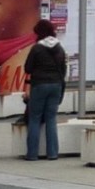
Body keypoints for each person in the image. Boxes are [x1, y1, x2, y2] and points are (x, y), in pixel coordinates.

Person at [22, 19, 68, 160]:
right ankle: (53, 153)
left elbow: (28, 68)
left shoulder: (37, 48)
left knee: (35, 118)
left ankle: (32, 154)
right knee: (51, 119)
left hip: (40, 85)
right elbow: (63, 69)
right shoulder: (59, 48)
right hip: (56, 85)